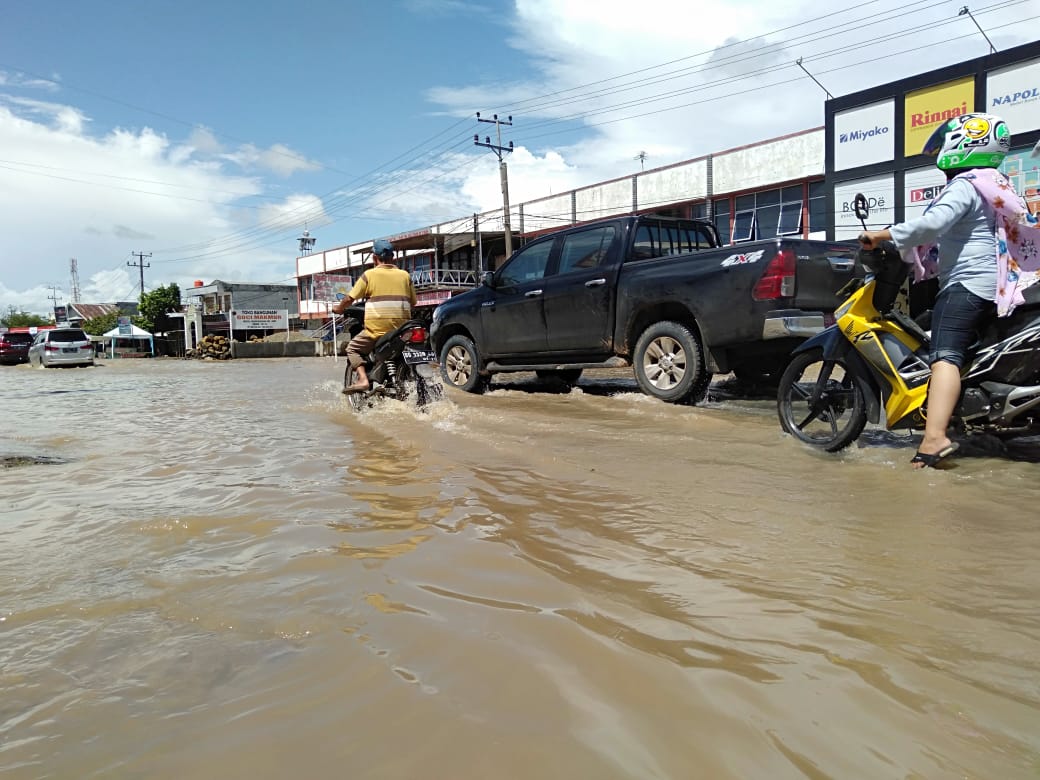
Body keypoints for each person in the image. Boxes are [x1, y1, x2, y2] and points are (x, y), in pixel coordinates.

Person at [859, 112, 1040, 469]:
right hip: (997, 285)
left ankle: (934, 437)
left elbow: (931, 225)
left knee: (945, 357)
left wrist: (882, 235)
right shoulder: (997, 184)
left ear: (964, 144)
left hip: (967, 284)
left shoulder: (965, 185)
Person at [333, 238, 417, 394]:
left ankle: (363, 380)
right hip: (402, 331)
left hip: (377, 331)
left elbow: (349, 299)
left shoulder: (369, 275)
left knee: (352, 348)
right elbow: (413, 302)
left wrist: (338, 309)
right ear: (393, 257)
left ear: (374, 257)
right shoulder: (405, 276)